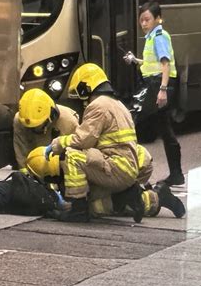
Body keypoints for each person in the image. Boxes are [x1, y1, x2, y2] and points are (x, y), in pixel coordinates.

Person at [44, 63, 146, 223]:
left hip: (116, 167)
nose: (81, 98)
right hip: (126, 168)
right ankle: (128, 194)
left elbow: (82, 140)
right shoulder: (117, 104)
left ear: (86, 86)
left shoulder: (98, 106)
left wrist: (57, 144)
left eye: (80, 92)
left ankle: (77, 210)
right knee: (93, 199)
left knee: (71, 156)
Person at [27, 146, 186, 220]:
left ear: (52, 174)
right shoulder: (67, 156)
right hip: (131, 160)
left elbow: (86, 197)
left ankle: (158, 196)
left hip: (138, 164)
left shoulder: (74, 167)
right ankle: (141, 192)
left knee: (101, 206)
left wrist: (72, 208)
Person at [124, 1, 185, 186]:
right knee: (164, 128)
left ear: (158, 19)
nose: (143, 23)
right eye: (141, 20)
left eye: (147, 19)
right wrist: (135, 60)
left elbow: (165, 65)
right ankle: (176, 174)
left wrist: (163, 91)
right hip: (155, 83)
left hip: (159, 84)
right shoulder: (152, 36)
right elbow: (154, 64)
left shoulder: (158, 36)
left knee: (132, 120)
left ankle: (126, 172)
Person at [13, 88, 79, 169]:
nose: (35, 128)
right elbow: (21, 148)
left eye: (38, 124)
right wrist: (25, 173)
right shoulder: (20, 120)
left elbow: (75, 152)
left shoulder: (68, 121)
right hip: (36, 158)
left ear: (50, 116)